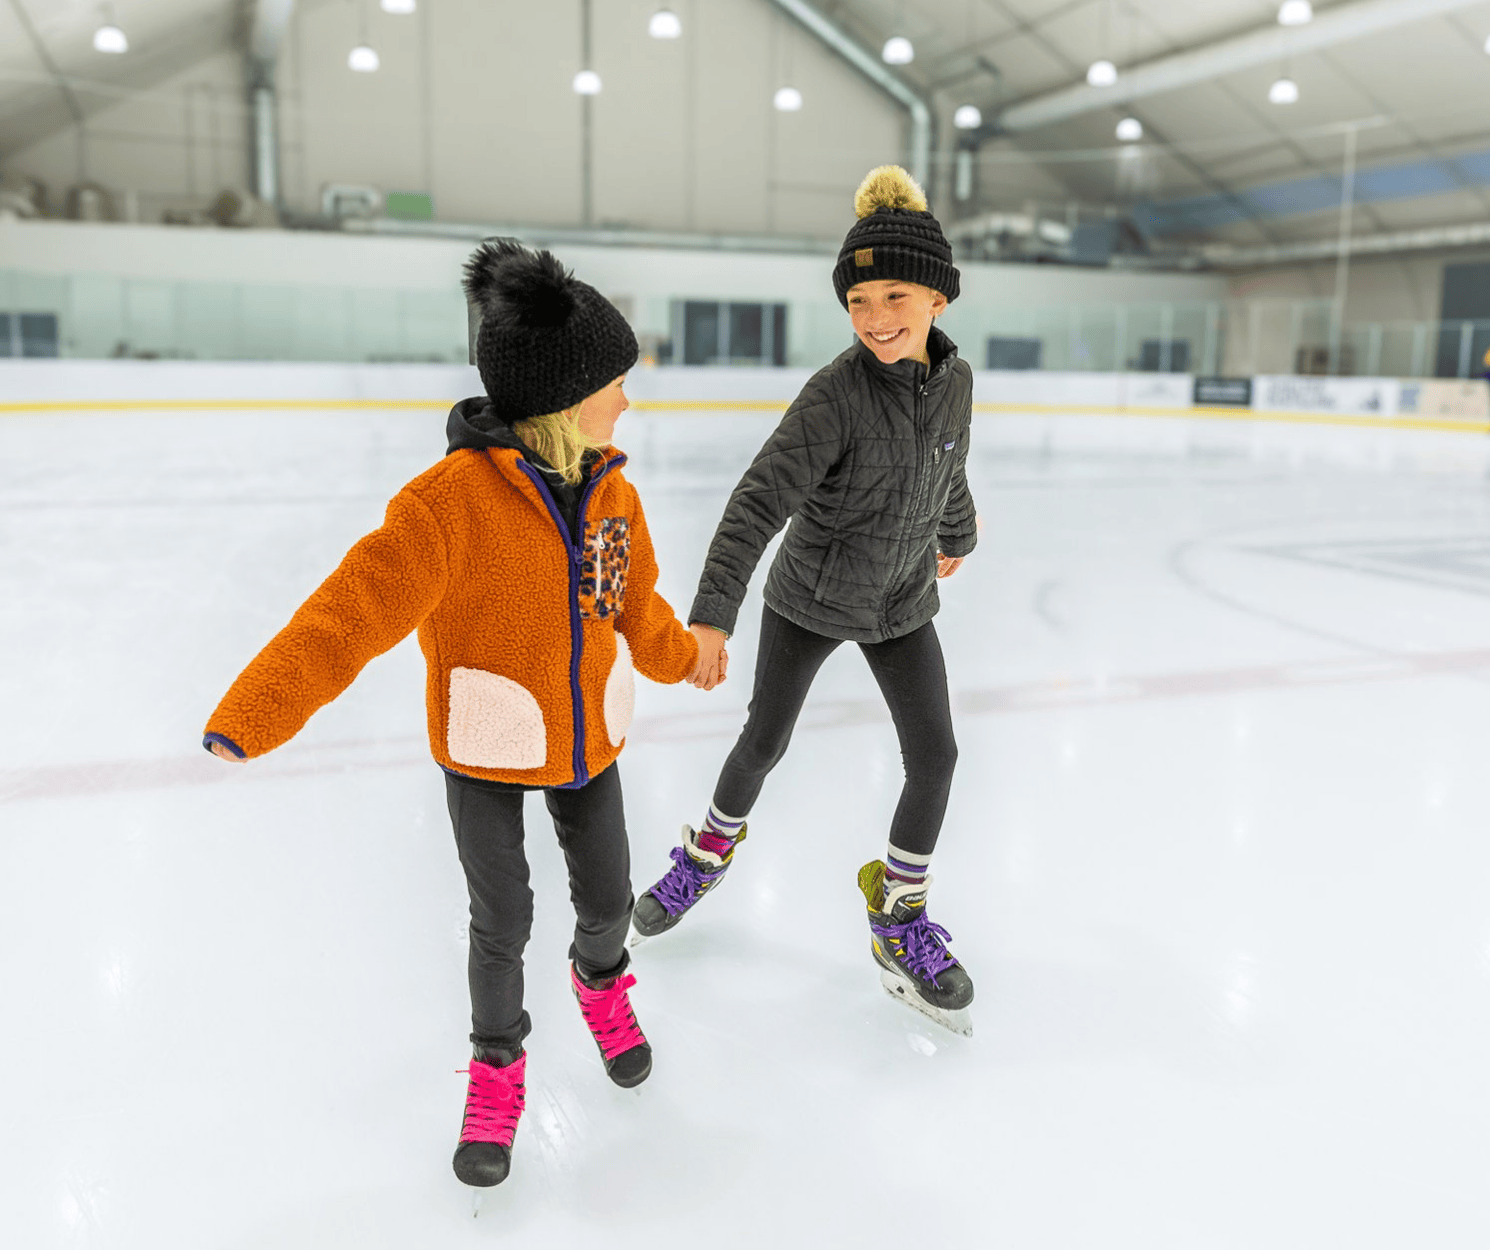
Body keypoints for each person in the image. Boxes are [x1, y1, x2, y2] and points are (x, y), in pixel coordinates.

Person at [201, 239, 727, 1188]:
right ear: (565, 398)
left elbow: (632, 602)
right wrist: (259, 708)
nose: (627, 401)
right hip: (488, 743)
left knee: (608, 900)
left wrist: (682, 654)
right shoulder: (449, 506)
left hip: (589, 743)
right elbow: (350, 611)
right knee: (504, 918)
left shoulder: (614, 494)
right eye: (616, 383)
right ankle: (497, 1069)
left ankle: (602, 989)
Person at [627, 165, 980, 1036]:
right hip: (811, 598)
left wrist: (957, 535)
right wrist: (712, 614)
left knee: (935, 757)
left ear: (938, 297)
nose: (875, 318)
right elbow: (758, 499)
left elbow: (946, 461)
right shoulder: (836, 395)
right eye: (858, 301)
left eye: (894, 295)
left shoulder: (955, 380)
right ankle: (705, 853)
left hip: (900, 598)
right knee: (764, 740)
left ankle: (898, 913)